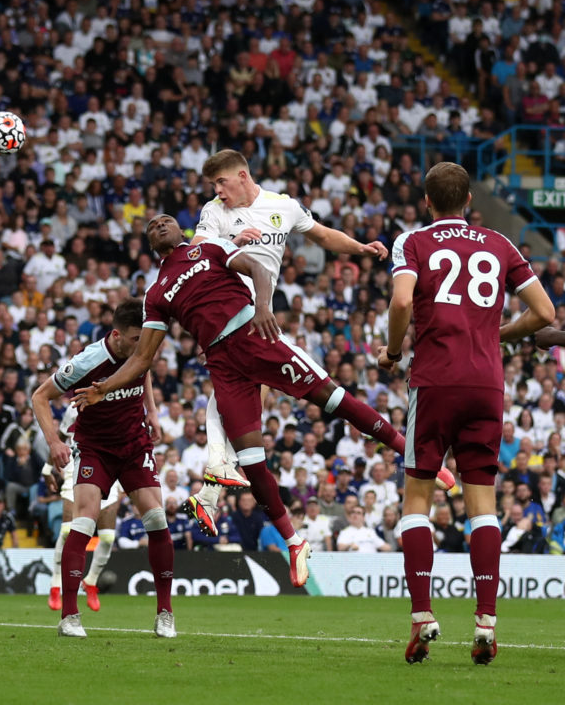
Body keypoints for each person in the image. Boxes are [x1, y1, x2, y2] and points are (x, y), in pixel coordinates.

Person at [77, 214, 407, 590]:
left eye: (166, 220)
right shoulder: (156, 294)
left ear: (181, 230)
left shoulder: (208, 247)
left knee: (333, 399)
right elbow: (141, 358)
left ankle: (403, 448)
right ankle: (294, 541)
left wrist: (264, 306)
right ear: (150, 245)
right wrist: (103, 387)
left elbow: (257, 266)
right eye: (152, 226)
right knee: (252, 462)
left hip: (254, 334)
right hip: (222, 363)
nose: (159, 224)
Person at [378, 162, 553, 666]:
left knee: (417, 497)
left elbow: (402, 300)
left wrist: (393, 351)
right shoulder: (499, 243)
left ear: (427, 201)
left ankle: (423, 618)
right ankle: (486, 624)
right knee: (484, 504)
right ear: (470, 200)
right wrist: (495, 335)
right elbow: (544, 313)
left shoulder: (413, 242)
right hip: (486, 385)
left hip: (434, 381)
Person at [189, 149, 388, 507]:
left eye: (221, 182)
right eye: (213, 184)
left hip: (253, 318)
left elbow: (324, 236)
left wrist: (361, 247)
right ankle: (221, 469)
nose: (217, 190)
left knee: (247, 393)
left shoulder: (284, 206)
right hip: (226, 313)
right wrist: (231, 245)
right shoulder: (214, 212)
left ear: (243, 176)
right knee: (299, 389)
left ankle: (216, 481)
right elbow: (194, 256)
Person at [32, 299, 174, 639]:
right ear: (117, 335)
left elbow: (145, 365)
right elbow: (39, 396)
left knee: (156, 518)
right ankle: (69, 615)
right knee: (83, 521)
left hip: (135, 443)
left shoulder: (143, 346)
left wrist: (151, 410)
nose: (144, 346)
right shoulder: (88, 362)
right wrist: (54, 442)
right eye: (136, 339)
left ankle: (165, 612)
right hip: (95, 448)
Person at [38, 403, 124, 613]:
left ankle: (91, 581)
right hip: (77, 466)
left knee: (107, 537)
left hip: (109, 467)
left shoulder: (120, 402)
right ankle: (55, 584)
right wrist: (48, 468)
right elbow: (59, 435)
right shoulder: (75, 407)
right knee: (67, 530)